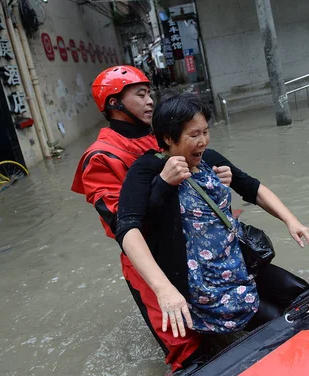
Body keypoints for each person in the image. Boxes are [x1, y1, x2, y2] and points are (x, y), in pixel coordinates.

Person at [115, 91, 309, 369]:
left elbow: (253, 187)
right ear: (168, 137)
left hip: (239, 263)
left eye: (205, 131)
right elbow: (128, 229)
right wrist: (164, 289)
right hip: (205, 283)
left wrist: (293, 222)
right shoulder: (146, 170)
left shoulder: (208, 160)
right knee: (279, 322)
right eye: (193, 134)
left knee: (304, 295)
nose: (202, 141)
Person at [71, 66, 234, 369]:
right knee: (186, 350)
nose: (150, 101)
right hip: (147, 257)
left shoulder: (160, 135)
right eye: (140, 94)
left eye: (150, 94)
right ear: (113, 103)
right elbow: (123, 223)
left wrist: (218, 175)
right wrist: (162, 183)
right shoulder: (101, 157)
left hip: (193, 242)